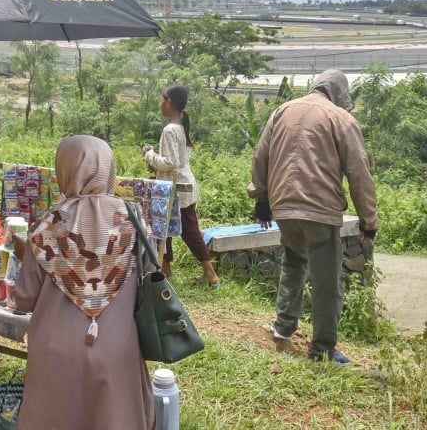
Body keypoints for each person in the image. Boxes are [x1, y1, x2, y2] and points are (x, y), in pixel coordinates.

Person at [12, 135, 154, 430]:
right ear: (108, 169)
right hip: (117, 348)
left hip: (54, 353)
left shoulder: (46, 227)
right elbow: (148, 280)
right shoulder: (134, 221)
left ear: (64, 169)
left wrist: (28, 256)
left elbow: (24, 298)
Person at [247, 69, 377, 365]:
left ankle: (282, 329)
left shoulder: (282, 111)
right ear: (340, 93)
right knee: (326, 281)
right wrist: (369, 221)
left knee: (293, 263)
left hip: (283, 205)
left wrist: (261, 199)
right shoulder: (341, 119)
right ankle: (322, 350)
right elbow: (359, 173)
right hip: (319, 210)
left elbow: (261, 155)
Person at [143, 84, 220, 287]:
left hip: (176, 188)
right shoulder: (181, 127)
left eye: (162, 100)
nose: (160, 104)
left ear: (168, 103)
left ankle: (210, 273)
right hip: (182, 184)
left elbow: (171, 162)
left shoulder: (169, 130)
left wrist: (149, 155)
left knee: (184, 229)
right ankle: (167, 269)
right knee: (167, 228)